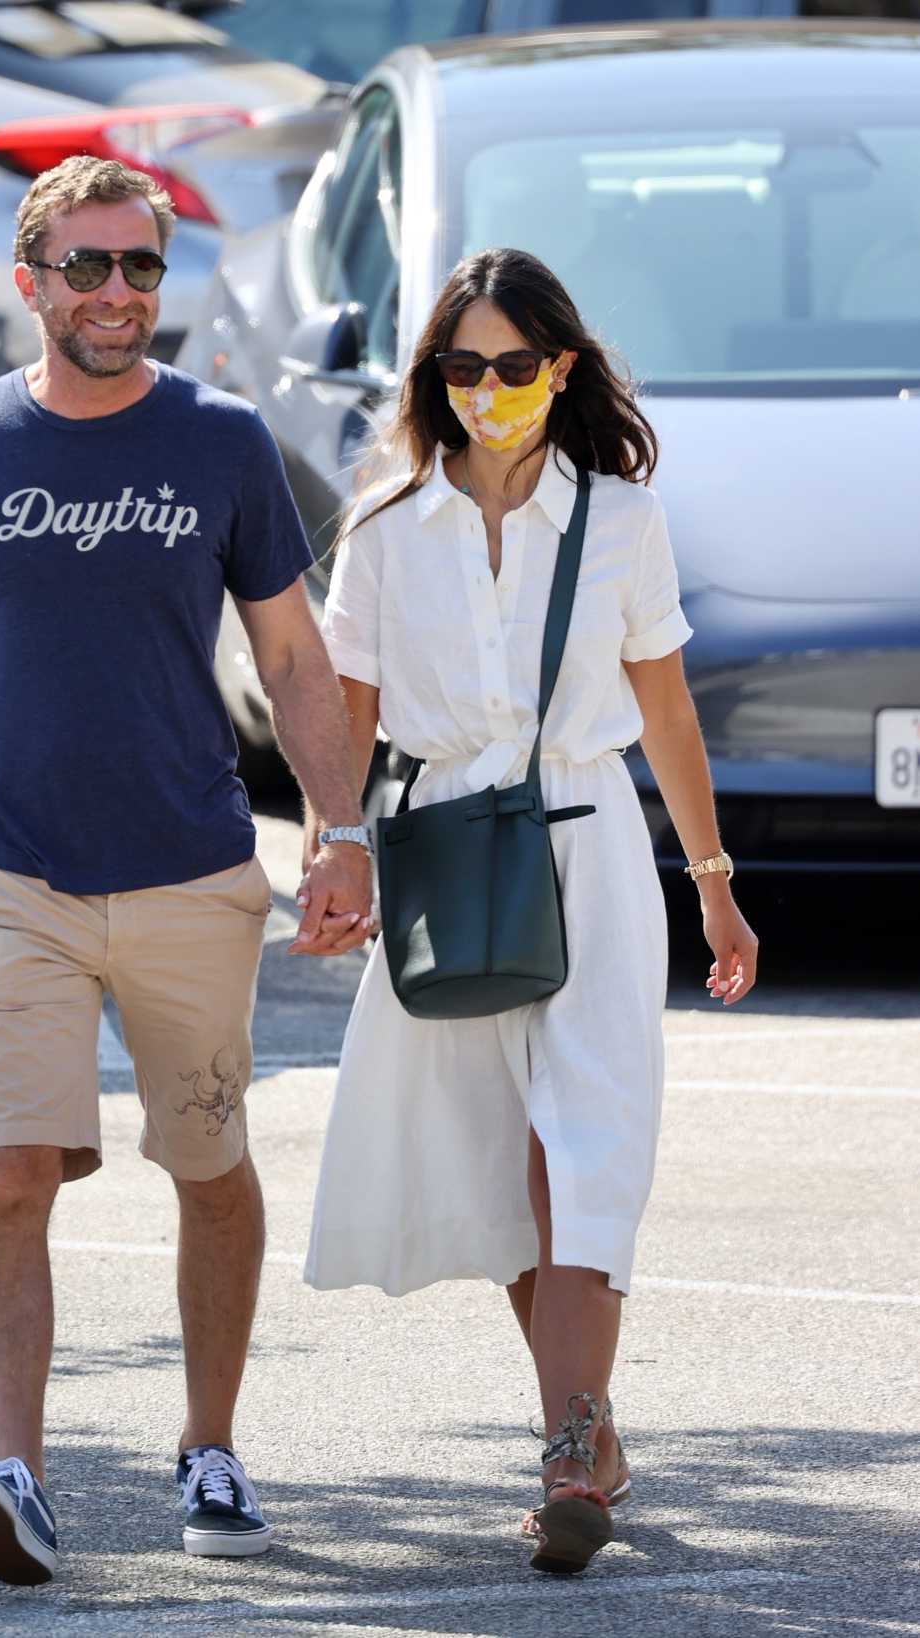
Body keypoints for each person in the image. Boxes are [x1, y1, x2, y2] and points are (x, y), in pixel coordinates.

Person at [0, 156, 373, 1586]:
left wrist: (342, 829)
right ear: (31, 283)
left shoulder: (221, 441)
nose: (119, 294)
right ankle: (15, 1474)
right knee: (11, 1170)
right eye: (88, 268)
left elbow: (289, 652)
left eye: (140, 267)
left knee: (208, 1161)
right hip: (9, 869)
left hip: (193, 874)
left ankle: (209, 1445)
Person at [302, 248, 759, 1574]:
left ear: (559, 369)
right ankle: (585, 1431)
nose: (487, 390)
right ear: (432, 380)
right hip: (441, 852)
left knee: (584, 1141)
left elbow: (663, 710)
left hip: (590, 851)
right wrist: (337, 856)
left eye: (512, 365)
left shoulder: (620, 519)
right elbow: (347, 719)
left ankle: (569, 1440)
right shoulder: (385, 528)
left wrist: (714, 884)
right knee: (500, 1157)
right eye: (461, 367)